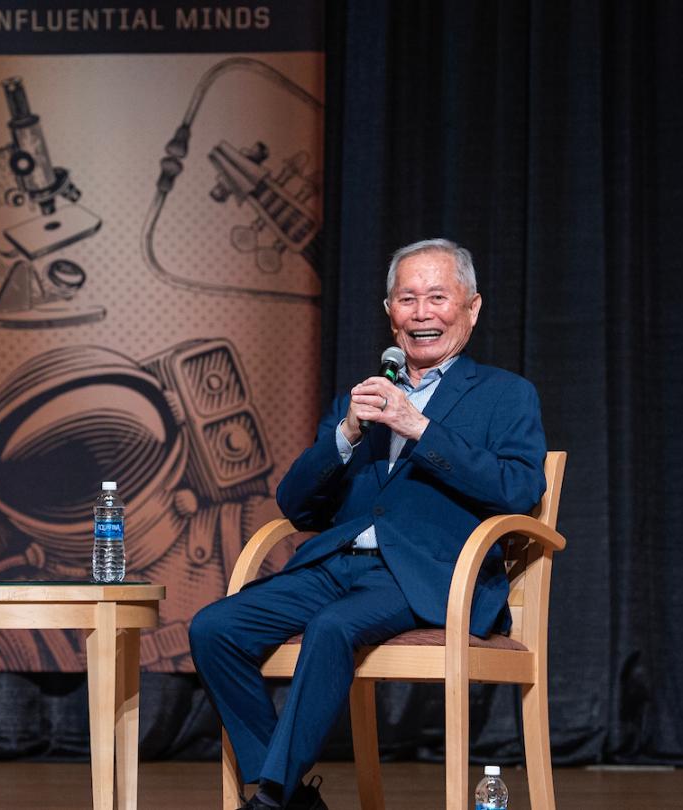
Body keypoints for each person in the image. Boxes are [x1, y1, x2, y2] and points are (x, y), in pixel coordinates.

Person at [190, 238, 548, 810]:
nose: (422, 313)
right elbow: (297, 506)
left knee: (332, 627)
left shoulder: (505, 395)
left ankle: (273, 798)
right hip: (336, 566)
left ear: (472, 307)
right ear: (390, 313)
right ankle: (292, 796)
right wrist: (345, 435)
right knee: (215, 627)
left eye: (438, 297)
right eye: (408, 299)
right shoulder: (361, 398)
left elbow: (518, 490)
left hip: (430, 574)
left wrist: (420, 428)